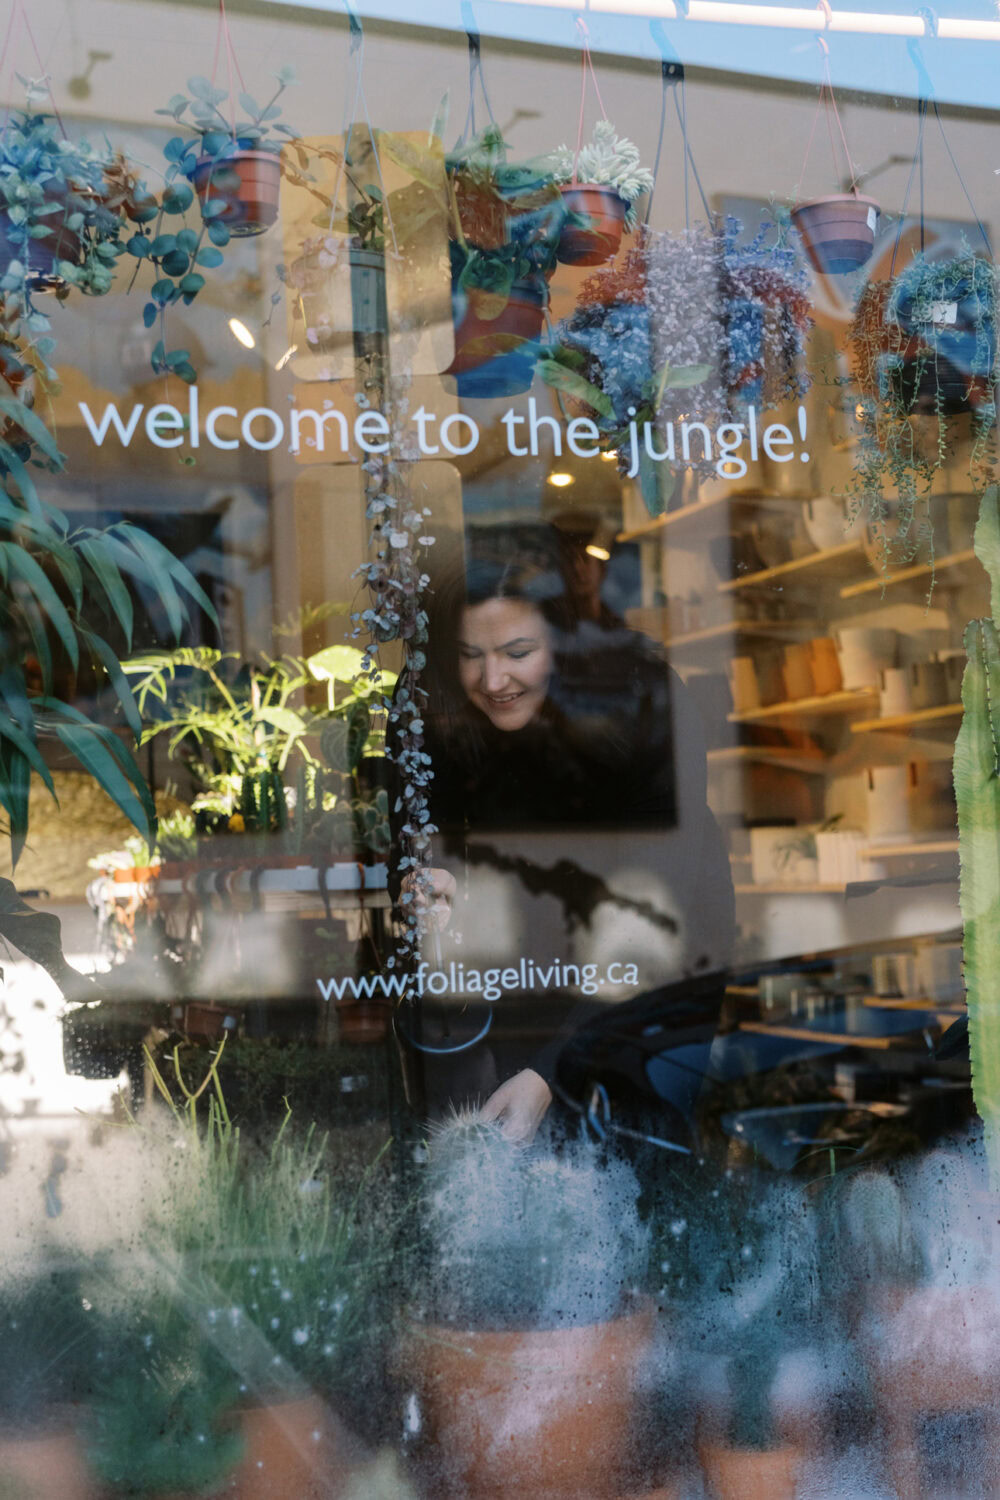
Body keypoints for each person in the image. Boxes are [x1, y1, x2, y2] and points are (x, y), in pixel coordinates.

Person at [390, 522, 734, 1145]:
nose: (493, 682)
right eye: (471, 656)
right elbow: (417, 823)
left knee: (632, 1144)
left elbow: (652, 914)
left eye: (519, 653)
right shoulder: (430, 703)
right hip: (528, 948)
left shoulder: (649, 703)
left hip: (663, 944)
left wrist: (551, 1072)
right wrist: (427, 875)